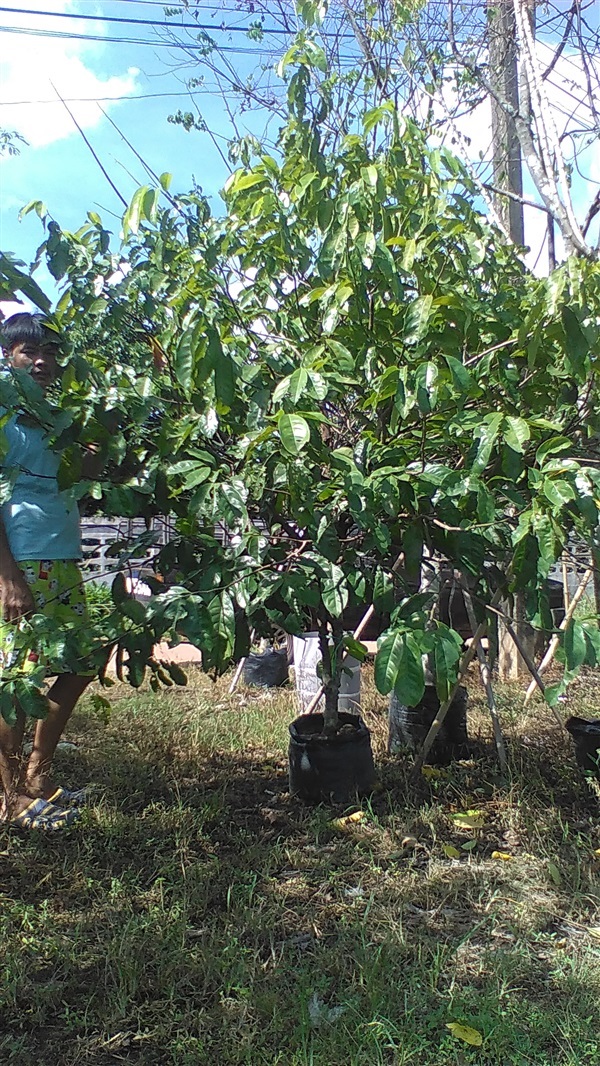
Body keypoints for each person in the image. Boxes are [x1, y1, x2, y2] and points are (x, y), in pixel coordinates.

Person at [0, 312, 94, 830]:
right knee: (18, 680)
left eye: (51, 354)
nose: (42, 361)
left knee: (80, 663)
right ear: (8, 357)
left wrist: (104, 441)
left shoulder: (53, 416)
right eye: (28, 352)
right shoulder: (3, 413)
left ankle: (37, 778)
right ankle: (12, 800)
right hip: (24, 557)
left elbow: (84, 476)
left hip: (61, 553)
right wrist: (7, 576)